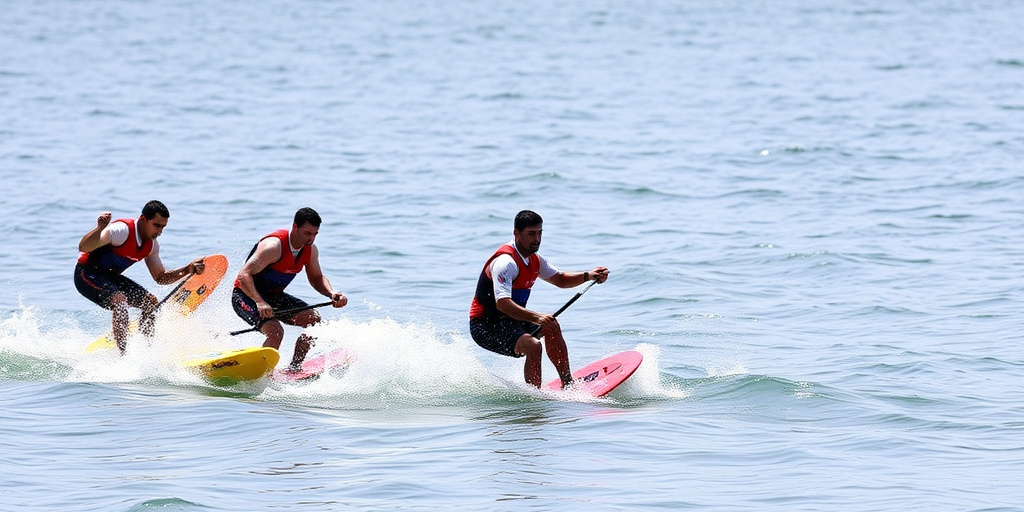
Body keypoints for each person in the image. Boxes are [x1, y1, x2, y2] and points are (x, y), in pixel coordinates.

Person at [469, 210, 609, 389]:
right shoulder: (506, 263)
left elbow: (560, 279)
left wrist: (588, 275)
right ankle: (534, 397)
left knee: (551, 325)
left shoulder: (535, 260)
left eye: (540, 233)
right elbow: (502, 303)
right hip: (485, 326)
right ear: (517, 234)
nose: (537, 239)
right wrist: (536, 318)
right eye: (531, 234)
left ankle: (568, 384)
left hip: (511, 321)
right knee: (533, 346)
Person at [75, 200, 207, 354]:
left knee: (150, 301)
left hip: (109, 278)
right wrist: (100, 228)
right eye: (156, 225)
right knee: (120, 299)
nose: (160, 231)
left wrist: (187, 269)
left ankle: (147, 350)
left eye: (163, 226)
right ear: (144, 220)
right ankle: (124, 356)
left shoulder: (152, 246)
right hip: (86, 274)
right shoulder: (121, 231)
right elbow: (83, 247)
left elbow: (160, 278)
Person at [232, 207, 347, 370]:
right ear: (295, 227)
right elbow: (244, 275)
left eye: (315, 234)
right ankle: (263, 375)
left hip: (274, 297)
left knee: (314, 321)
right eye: (308, 233)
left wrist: (332, 293)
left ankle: (294, 368)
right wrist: (260, 302)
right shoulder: (272, 247)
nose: (311, 239)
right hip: (246, 296)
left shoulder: (311, 250)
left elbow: (316, 278)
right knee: (276, 332)